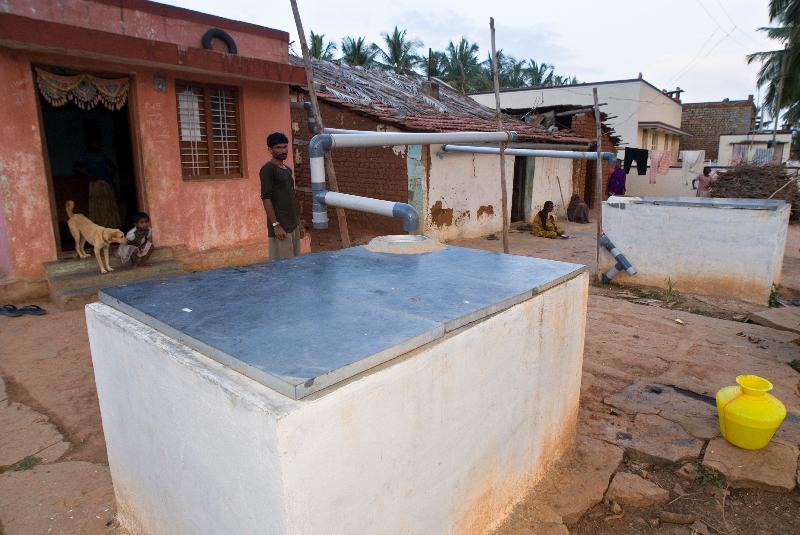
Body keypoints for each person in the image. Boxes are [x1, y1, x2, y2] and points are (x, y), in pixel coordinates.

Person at [261, 132, 305, 261]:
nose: (283, 150)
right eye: (278, 147)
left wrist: (299, 223)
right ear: (270, 150)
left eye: (285, 147)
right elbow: (266, 198)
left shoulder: (287, 169)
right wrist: (276, 225)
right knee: (283, 270)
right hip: (281, 229)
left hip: (293, 226)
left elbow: (292, 197)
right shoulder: (268, 169)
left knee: (295, 265)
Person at [74, 135, 121, 229]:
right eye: (95, 142)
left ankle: (110, 228)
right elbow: (76, 167)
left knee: (108, 206)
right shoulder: (86, 156)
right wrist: (88, 174)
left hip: (107, 182)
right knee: (98, 206)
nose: (98, 144)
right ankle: (99, 229)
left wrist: (111, 171)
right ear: (90, 144)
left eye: (99, 142)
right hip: (96, 183)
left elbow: (112, 166)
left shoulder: (102, 155)